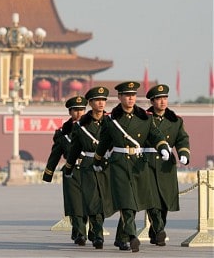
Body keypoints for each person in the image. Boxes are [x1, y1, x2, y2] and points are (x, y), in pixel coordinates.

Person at [92, 81, 170, 253]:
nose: (130, 98)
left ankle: (122, 238)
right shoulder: (111, 120)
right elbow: (104, 142)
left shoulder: (145, 117)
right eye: (127, 95)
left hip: (139, 164)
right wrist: (97, 161)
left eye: (133, 95)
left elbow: (155, 134)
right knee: (127, 202)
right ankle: (133, 235)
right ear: (119, 97)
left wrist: (163, 147)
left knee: (140, 200)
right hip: (119, 163)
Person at [65, 86, 127, 250]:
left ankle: (119, 235)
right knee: (93, 202)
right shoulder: (81, 125)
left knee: (109, 202)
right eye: (97, 100)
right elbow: (75, 148)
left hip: (109, 166)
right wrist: (69, 167)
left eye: (103, 100)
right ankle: (98, 235)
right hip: (88, 166)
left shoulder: (113, 121)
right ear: (90, 103)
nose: (101, 103)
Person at [144, 84, 190, 246]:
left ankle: (155, 231)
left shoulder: (175, 120)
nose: (163, 102)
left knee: (164, 201)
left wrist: (183, 153)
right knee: (152, 199)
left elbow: (182, 139)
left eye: (165, 98)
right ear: (152, 101)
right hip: (147, 161)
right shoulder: (145, 118)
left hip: (166, 164)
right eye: (159, 99)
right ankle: (159, 229)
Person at [42, 96, 89, 246]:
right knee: (75, 204)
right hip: (71, 170)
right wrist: (48, 173)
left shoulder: (94, 127)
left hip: (89, 169)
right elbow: (55, 154)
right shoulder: (62, 133)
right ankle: (80, 233)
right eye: (76, 110)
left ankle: (80, 230)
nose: (79, 113)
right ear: (70, 112)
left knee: (89, 203)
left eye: (82, 110)